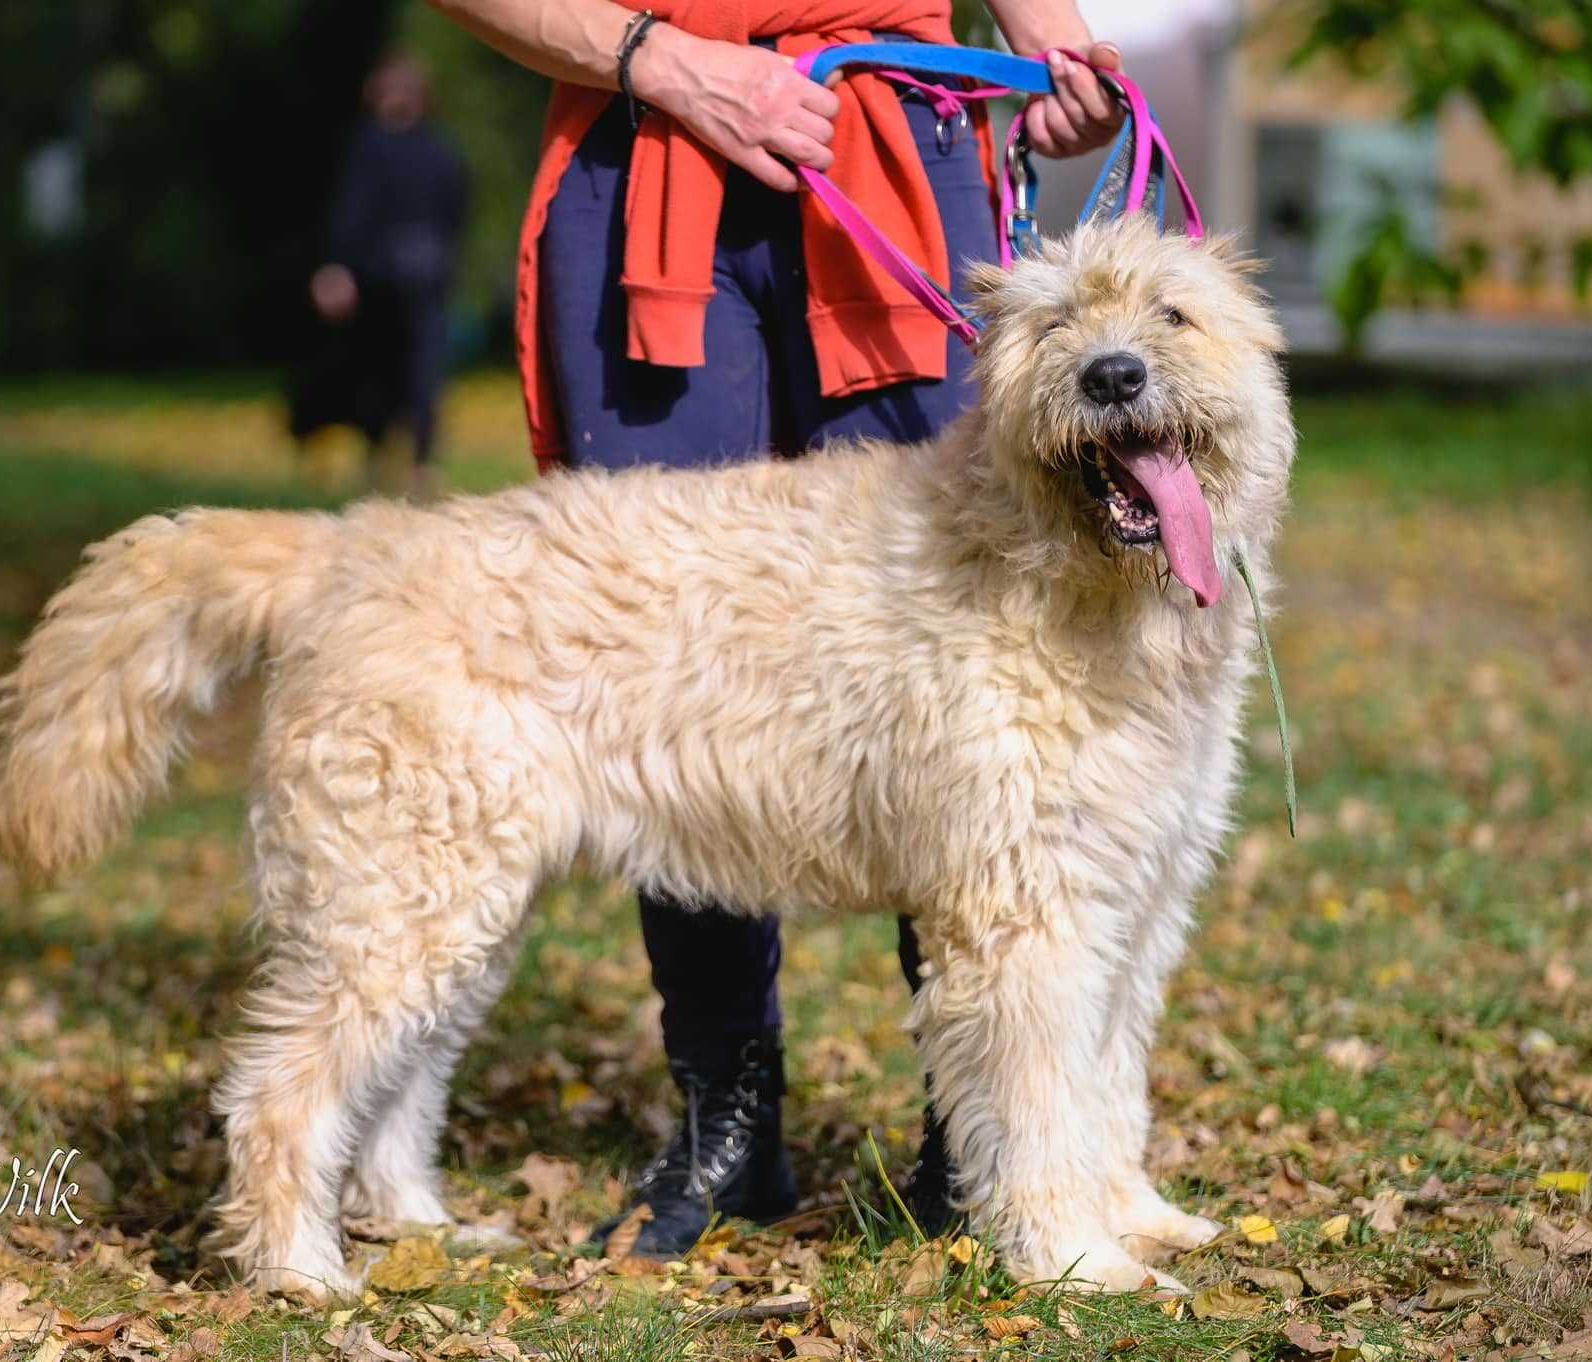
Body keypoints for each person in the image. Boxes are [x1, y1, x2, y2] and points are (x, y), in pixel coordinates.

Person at [429, 0, 1128, 1255]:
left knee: (959, 652)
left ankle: (974, 1126)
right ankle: (727, 1110)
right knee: (667, 650)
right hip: (641, 144)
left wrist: (1058, 49)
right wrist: (665, 62)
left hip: (891, 140)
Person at [297, 56, 469, 502]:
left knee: (406, 373)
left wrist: (337, 266)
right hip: (399, 281)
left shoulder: (399, 149)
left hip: (406, 281)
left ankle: (405, 463)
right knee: (395, 373)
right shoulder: (417, 148)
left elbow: (355, 215)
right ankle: (397, 461)